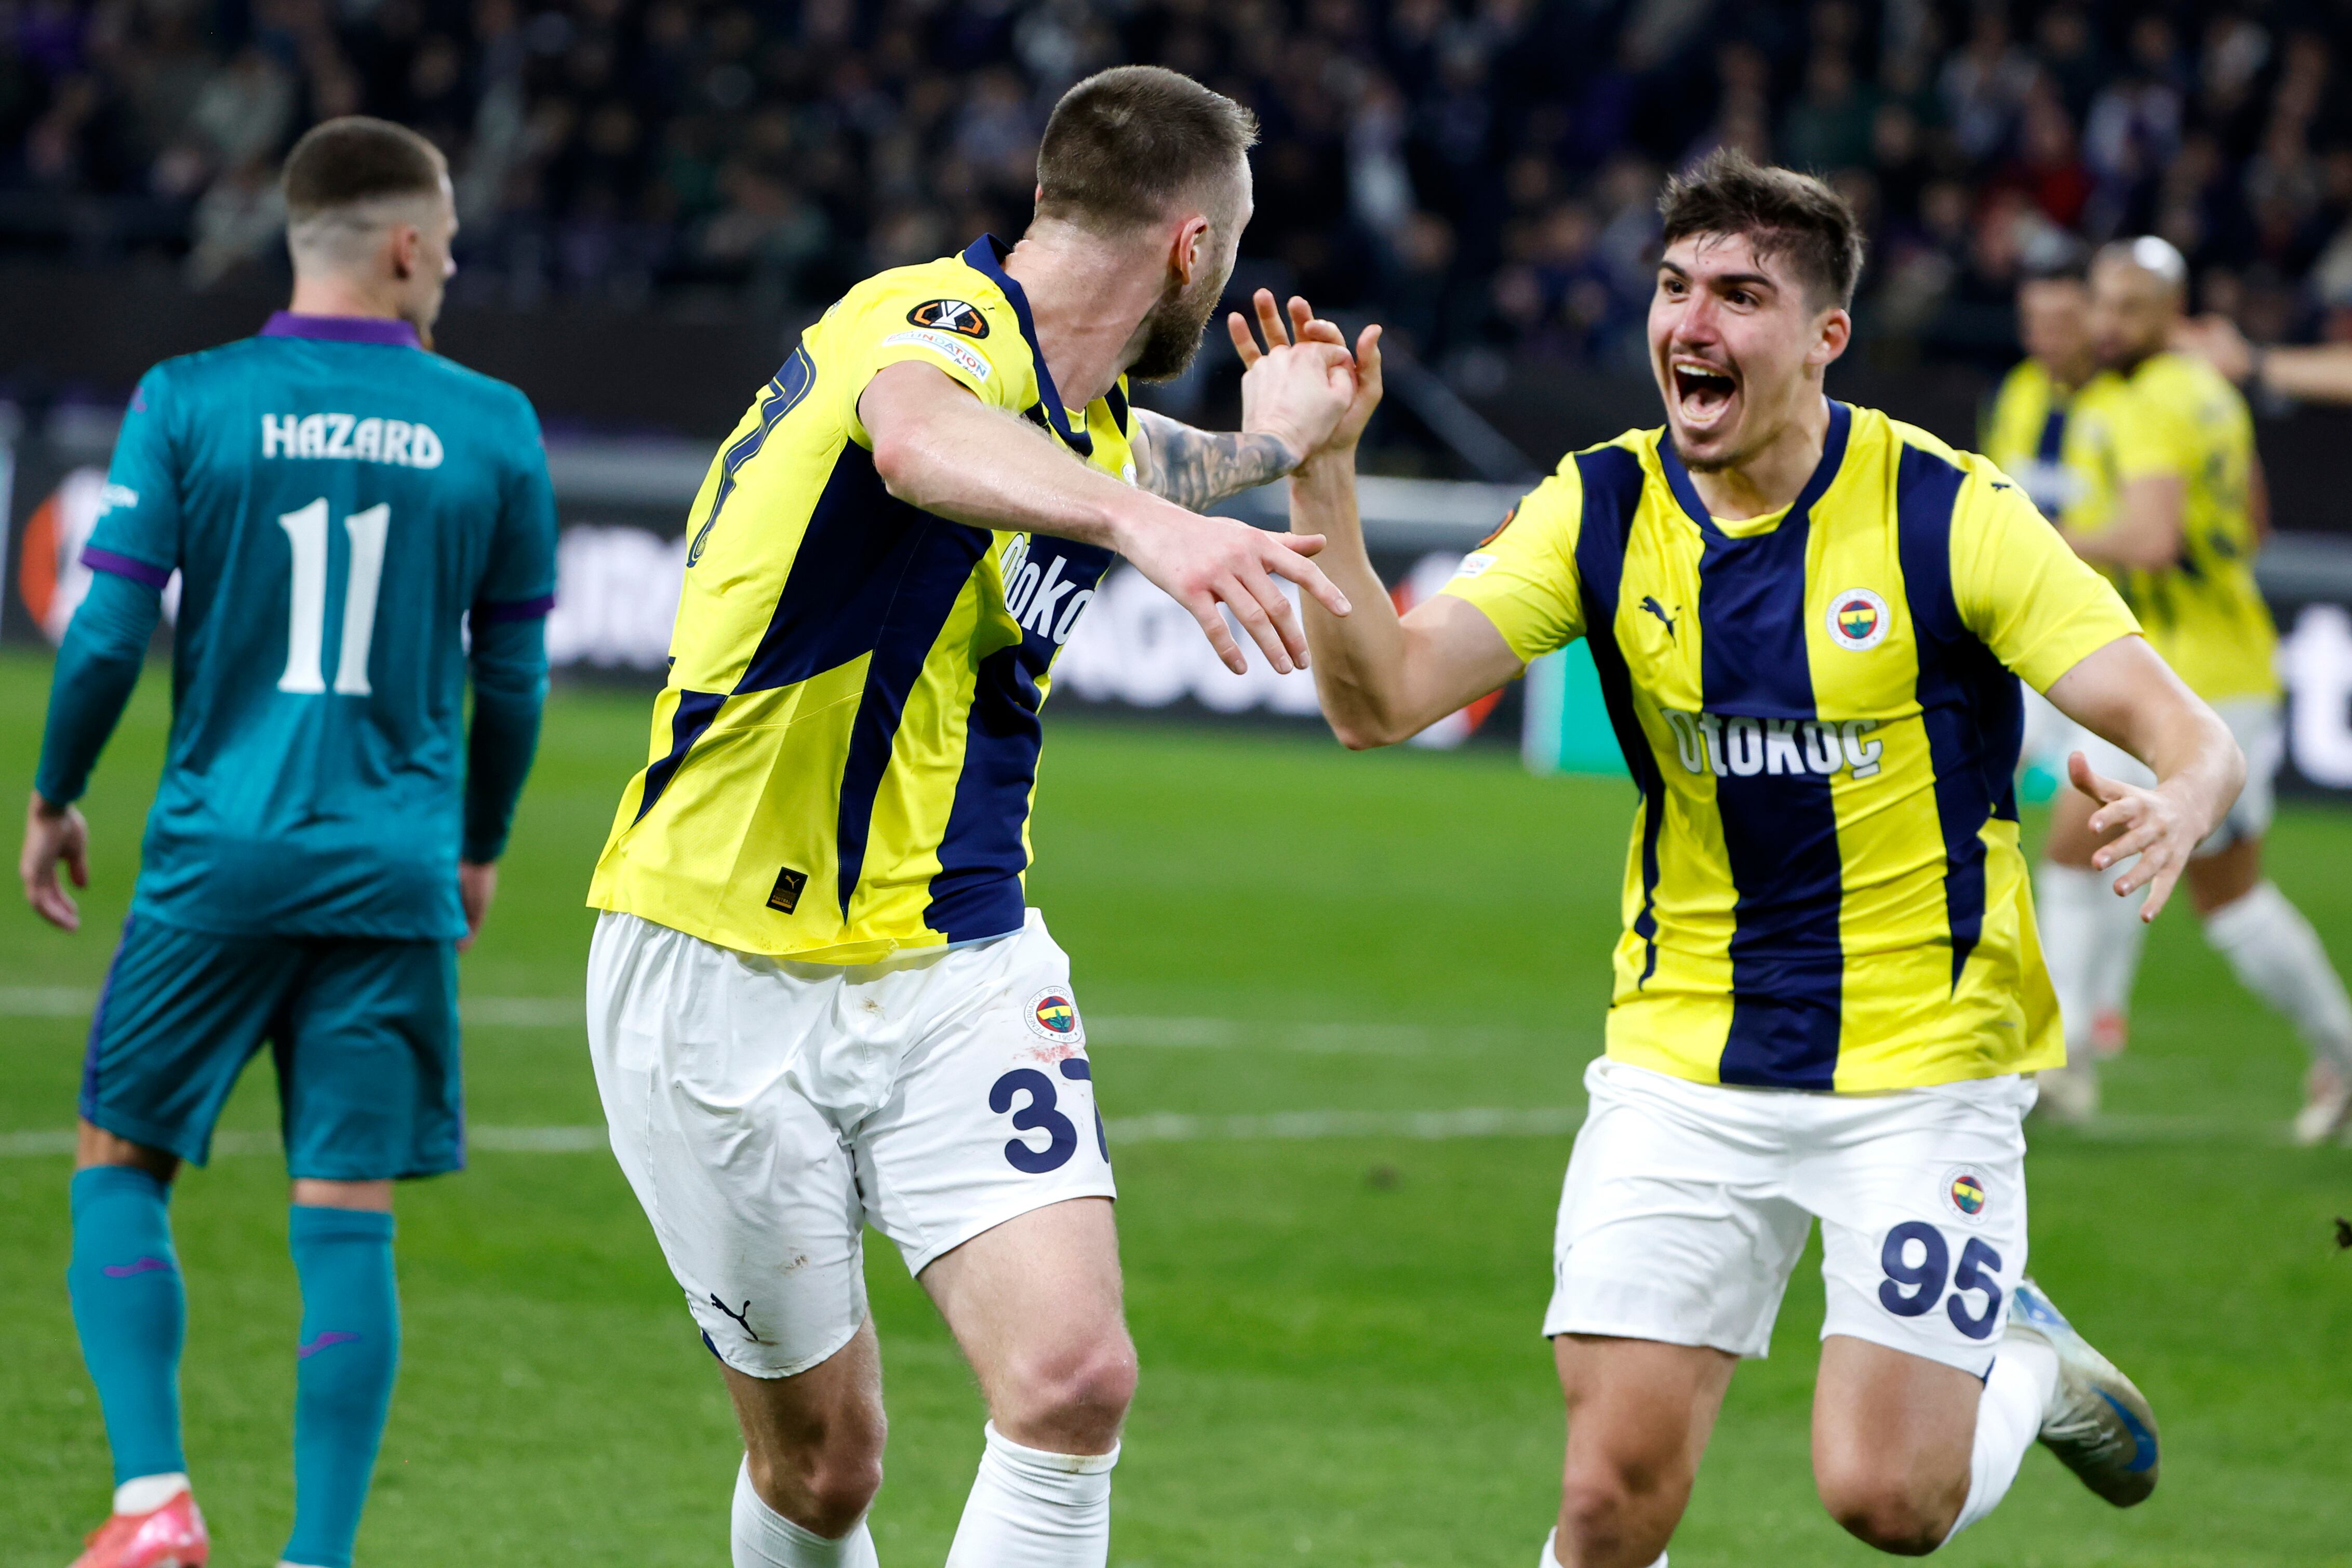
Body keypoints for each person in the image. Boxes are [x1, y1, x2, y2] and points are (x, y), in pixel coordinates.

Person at [1277, 150, 2235, 1566]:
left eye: (1741, 295)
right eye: (1675, 289)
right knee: (1607, 1501)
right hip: (1686, 1053)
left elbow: (2184, 728)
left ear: (1825, 337)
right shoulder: (1599, 506)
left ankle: (2022, 1369)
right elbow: (1380, 701)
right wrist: (1324, 477)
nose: (1693, 325)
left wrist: (2186, 795)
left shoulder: (1947, 512)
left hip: (1924, 1063)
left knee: (1886, 1500)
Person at [582, 65, 1355, 1568]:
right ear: (1192, 246)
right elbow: (916, 440)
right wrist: (1154, 525)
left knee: (1074, 1381)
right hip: (717, 952)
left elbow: (1134, 462)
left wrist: (1274, 442)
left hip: (958, 956)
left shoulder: (1091, 415)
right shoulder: (928, 320)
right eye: (1237, 244)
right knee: (824, 1468)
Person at [17, 117, 556, 1568]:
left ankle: (154, 1504)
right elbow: (512, 681)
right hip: (392, 864)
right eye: (443, 242)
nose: (449, 266)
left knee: (118, 1159)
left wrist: (57, 790)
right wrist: (480, 841)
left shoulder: (190, 398)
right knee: (346, 1208)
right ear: (399, 245)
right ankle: (315, 1559)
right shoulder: (496, 426)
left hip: (219, 855)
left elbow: (110, 628)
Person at [2038, 237, 2352, 1140]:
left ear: (2171, 314)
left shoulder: (2151, 398)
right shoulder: (2208, 392)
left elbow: (2147, 536)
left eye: (2128, 307)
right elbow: (2249, 520)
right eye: (2100, 303)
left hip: (2191, 683)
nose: (2106, 323)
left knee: (2209, 893)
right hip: (2214, 663)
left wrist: (2030, 534)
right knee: (2112, 860)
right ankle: (2063, 1061)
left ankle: (2063, 1060)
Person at [1982, 261, 2095, 522]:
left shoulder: (2128, 394)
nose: (2046, 338)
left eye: (2062, 323)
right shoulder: (2012, 391)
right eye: (2034, 322)